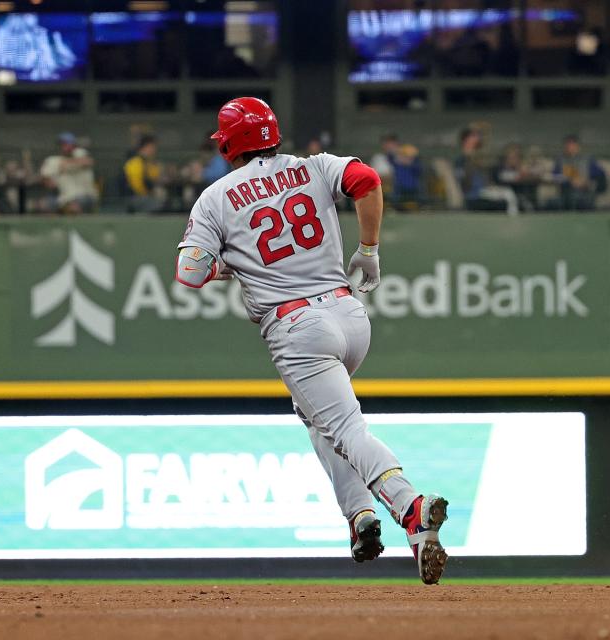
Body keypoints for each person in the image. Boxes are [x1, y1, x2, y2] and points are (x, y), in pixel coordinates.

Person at [174, 97, 449, 585]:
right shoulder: (315, 167)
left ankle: (410, 506)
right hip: (349, 315)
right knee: (319, 419)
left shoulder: (216, 197)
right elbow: (366, 181)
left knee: (344, 427)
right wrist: (368, 250)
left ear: (229, 144)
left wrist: (232, 263)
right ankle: (361, 516)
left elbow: (189, 272)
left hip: (298, 328)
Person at [39, 132, 97, 214]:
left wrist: (66, 164)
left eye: (67, 144)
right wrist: (50, 182)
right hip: (62, 197)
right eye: (62, 144)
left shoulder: (80, 153)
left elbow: (88, 162)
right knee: (43, 205)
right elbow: (46, 180)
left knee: (73, 208)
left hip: (85, 196)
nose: (64, 147)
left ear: (73, 145)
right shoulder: (53, 160)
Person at [552, 134, 607, 210]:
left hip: (586, 195)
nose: (570, 147)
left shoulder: (588, 160)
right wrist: (569, 181)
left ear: (578, 146)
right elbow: (555, 176)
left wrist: (587, 181)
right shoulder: (561, 161)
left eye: (572, 145)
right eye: (568, 145)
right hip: (567, 195)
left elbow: (601, 175)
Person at [123, 134, 164, 213]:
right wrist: (153, 192)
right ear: (146, 146)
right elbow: (138, 188)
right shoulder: (134, 162)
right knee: (159, 205)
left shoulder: (150, 163)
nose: (155, 150)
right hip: (134, 198)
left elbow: (157, 179)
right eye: (153, 147)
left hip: (147, 197)